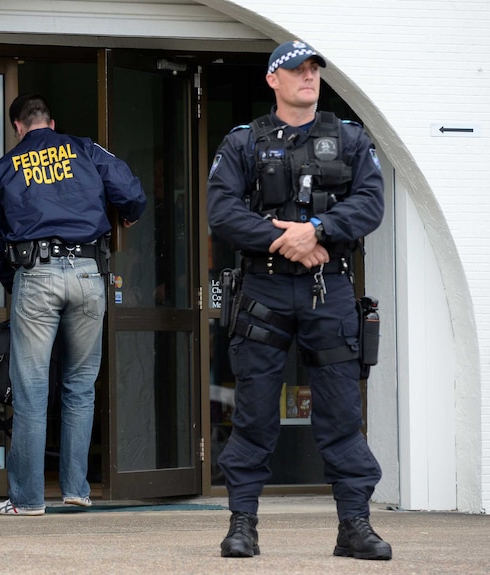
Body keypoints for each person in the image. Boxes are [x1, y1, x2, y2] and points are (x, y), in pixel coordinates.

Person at [206, 40, 392, 561]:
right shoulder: (243, 143)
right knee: (255, 413)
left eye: (313, 70)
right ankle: (242, 524)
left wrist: (318, 230)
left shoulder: (351, 139)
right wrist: (283, 238)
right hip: (263, 288)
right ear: (273, 80)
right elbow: (220, 211)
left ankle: (354, 526)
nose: (307, 78)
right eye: (296, 70)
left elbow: (371, 203)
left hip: (327, 290)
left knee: (340, 412)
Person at [0, 94, 147, 516]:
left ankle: (28, 500)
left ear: (18, 125)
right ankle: (76, 490)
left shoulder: (3, 168)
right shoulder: (85, 149)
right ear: (51, 123)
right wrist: (129, 212)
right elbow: (130, 190)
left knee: (32, 392)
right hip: (90, 272)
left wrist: (14, 275)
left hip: (36, 273)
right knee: (80, 387)